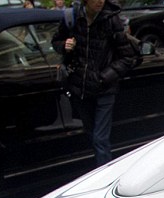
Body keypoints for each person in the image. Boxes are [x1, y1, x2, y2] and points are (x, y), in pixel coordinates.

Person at [52, 0, 137, 166]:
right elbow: (56, 42)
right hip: (80, 89)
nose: (100, 1)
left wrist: (103, 77)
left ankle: (104, 178)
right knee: (92, 136)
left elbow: (127, 57)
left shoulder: (111, 19)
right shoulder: (73, 17)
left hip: (104, 89)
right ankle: (98, 172)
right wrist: (64, 46)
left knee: (100, 139)